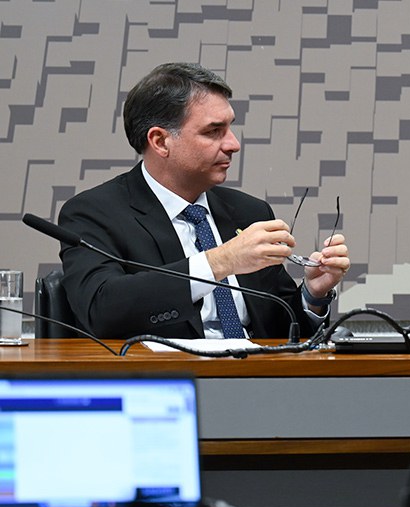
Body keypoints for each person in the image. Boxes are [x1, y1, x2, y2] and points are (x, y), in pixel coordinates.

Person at [58, 62, 350, 339]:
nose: (233, 144)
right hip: (171, 371)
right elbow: (102, 310)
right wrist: (221, 261)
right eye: (213, 131)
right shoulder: (94, 213)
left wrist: (312, 294)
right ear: (160, 141)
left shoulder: (249, 212)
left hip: (257, 371)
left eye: (230, 128)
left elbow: (280, 331)